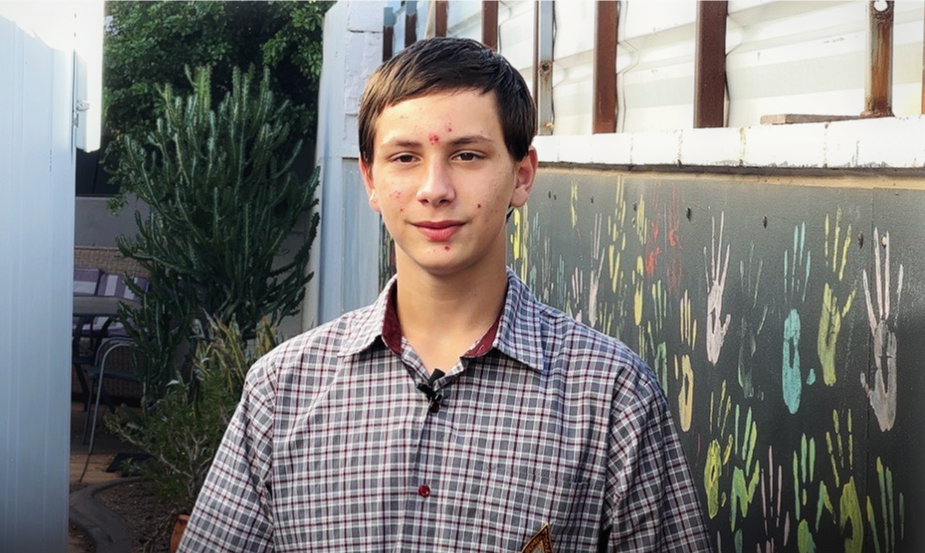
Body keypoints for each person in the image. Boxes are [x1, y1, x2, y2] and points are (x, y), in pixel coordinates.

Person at [178, 37, 711, 552]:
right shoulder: (282, 391)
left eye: (468, 156)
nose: (435, 188)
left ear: (522, 176)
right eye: (405, 157)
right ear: (369, 179)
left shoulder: (611, 398)